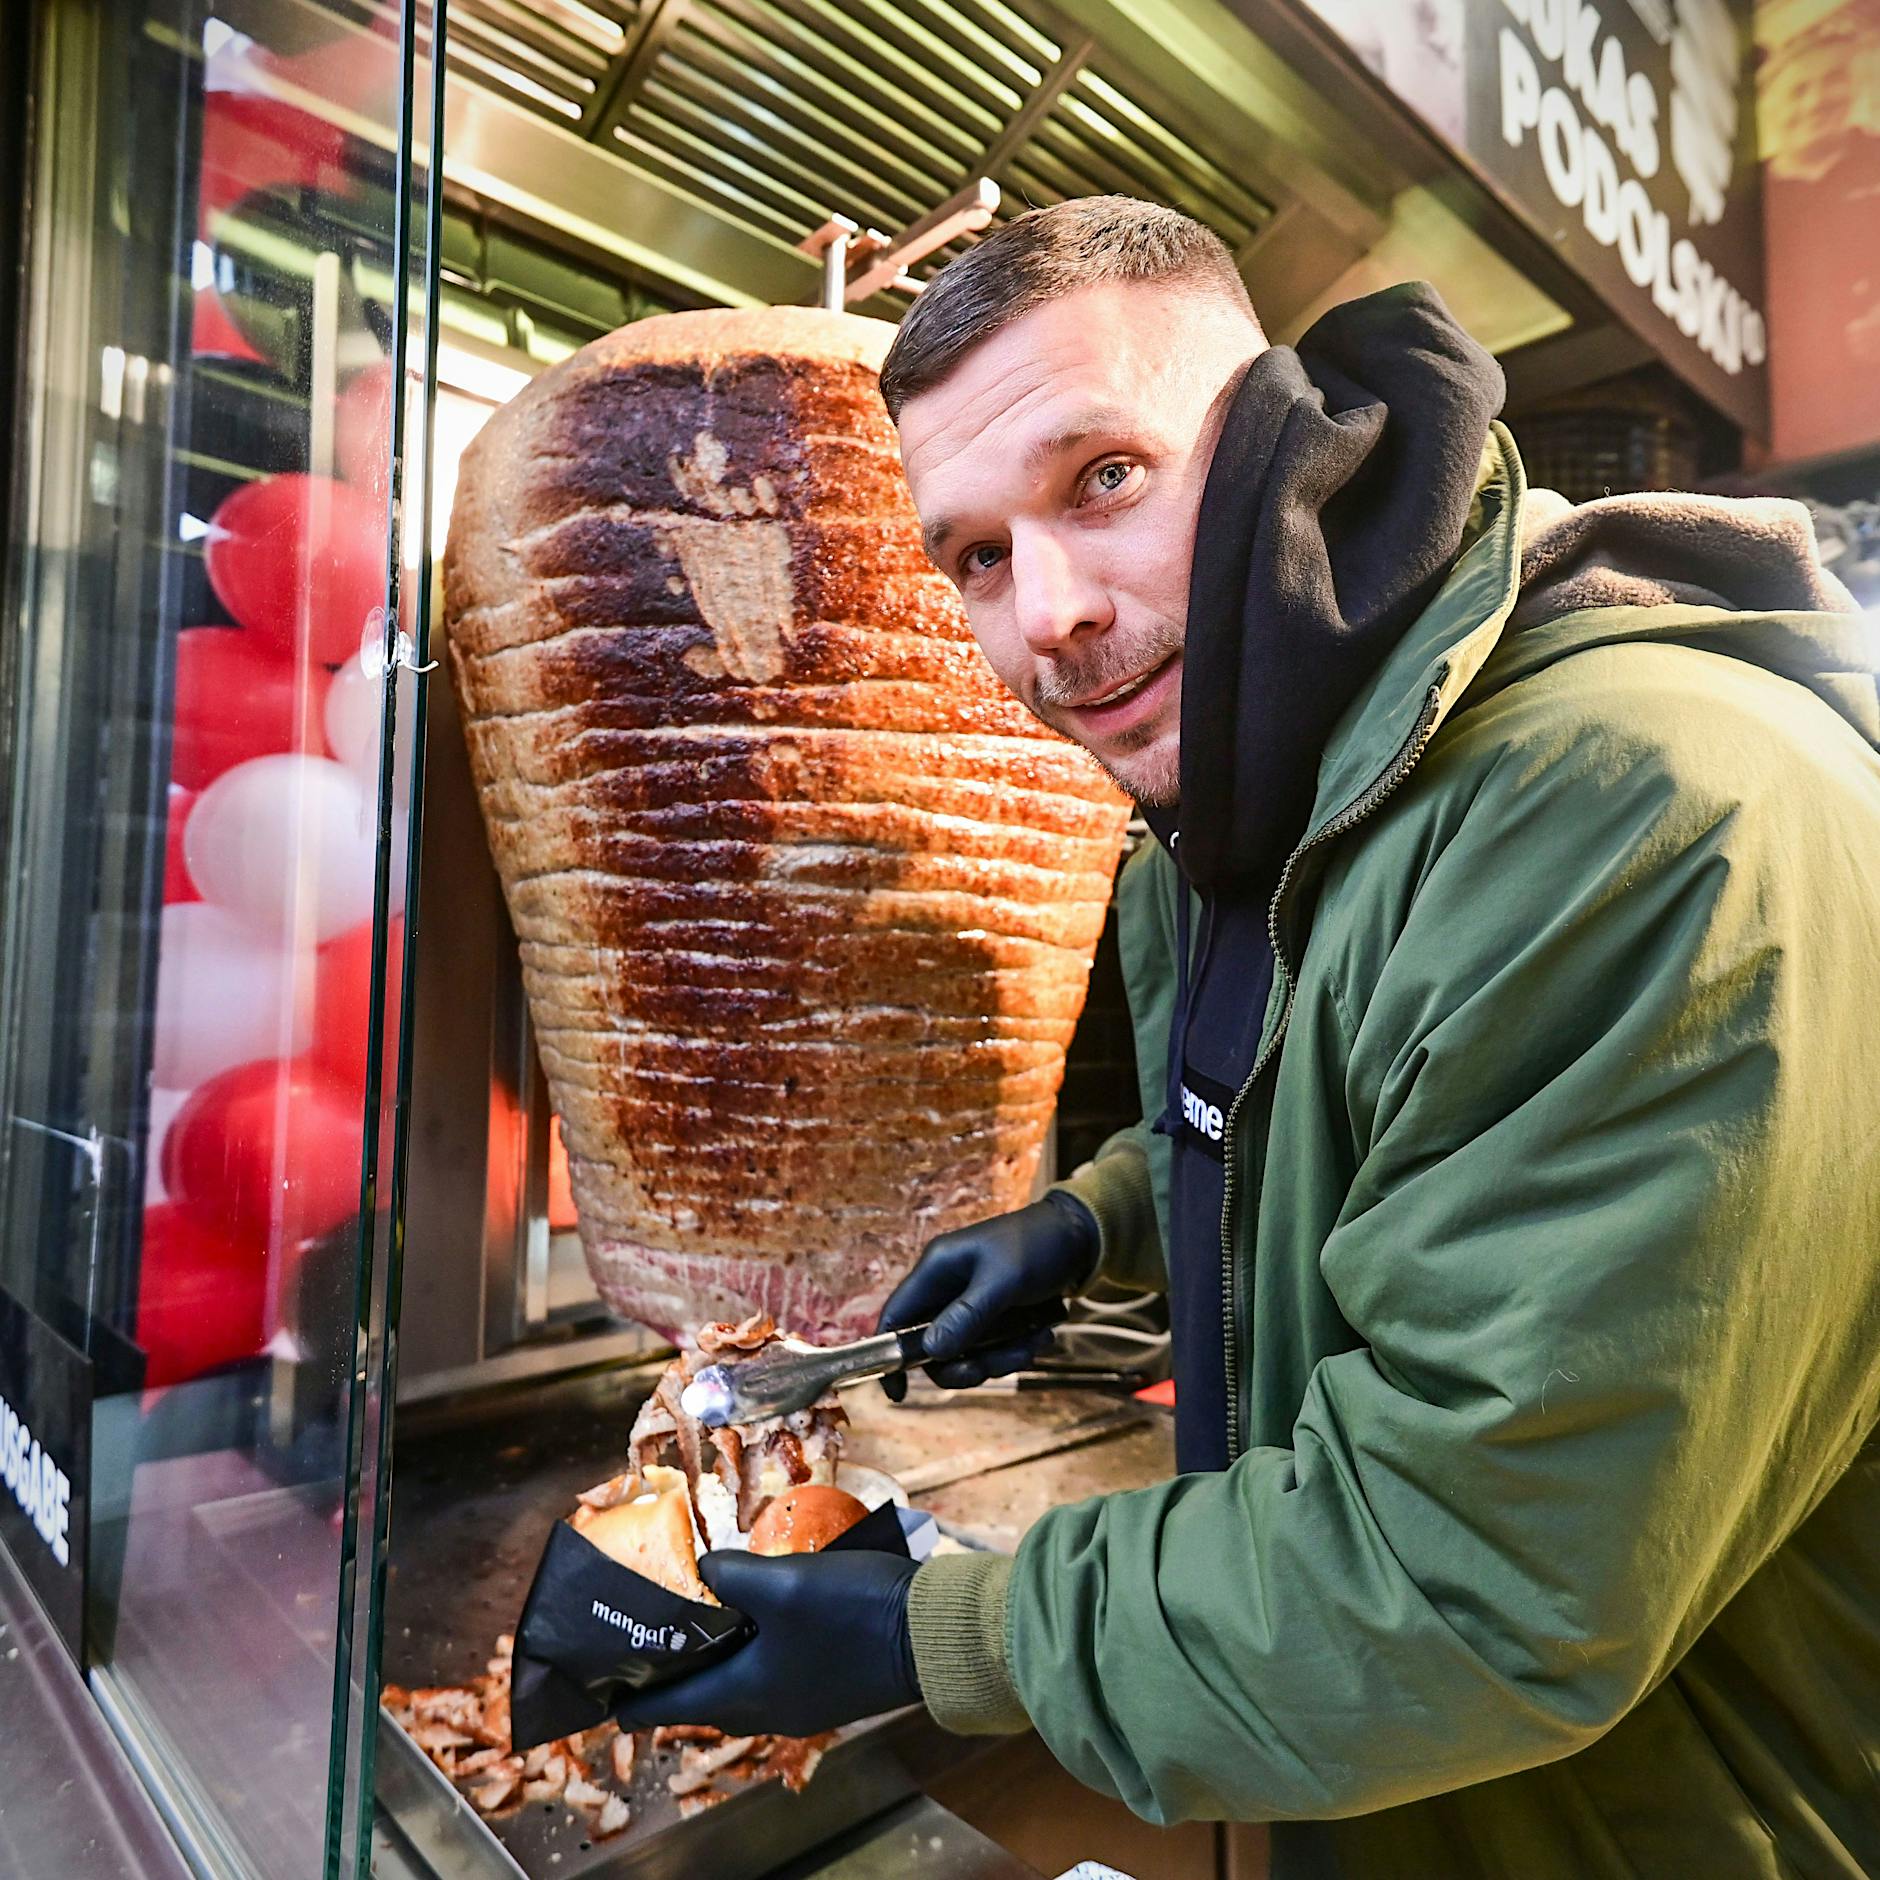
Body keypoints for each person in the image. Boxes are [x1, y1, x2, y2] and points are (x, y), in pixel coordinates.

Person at [616, 197, 1880, 1877]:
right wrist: (1097, 1223)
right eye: (977, 557)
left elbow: (1472, 1573)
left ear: (1298, 436)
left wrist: (946, 1634)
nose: (1047, 616)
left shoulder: (1639, 816)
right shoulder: (1235, 820)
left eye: (1104, 479)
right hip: (1396, 1803)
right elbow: (1361, 1109)